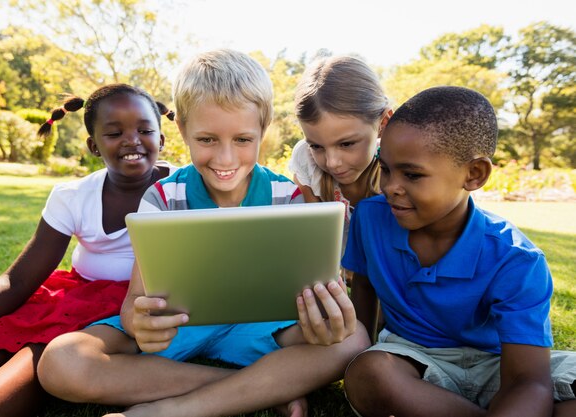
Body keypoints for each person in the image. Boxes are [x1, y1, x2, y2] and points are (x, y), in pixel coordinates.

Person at [37, 49, 369, 417]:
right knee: (61, 360)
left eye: (243, 140)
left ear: (263, 128)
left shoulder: (287, 196)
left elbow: (313, 295)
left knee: (353, 339)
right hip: (179, 329)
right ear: (181, 130)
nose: (225, 160)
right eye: (207, 140)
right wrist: (140, 323)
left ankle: (175, 409)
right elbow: (134, 302)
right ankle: (262, 388)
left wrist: (325, 315)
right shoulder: (162, 197)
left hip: (261, 330)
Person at [342, 86, 576, 417]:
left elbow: (528, 380)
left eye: (412, 174)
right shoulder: (371, 217)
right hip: (414, 364)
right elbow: (363, 286)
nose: (390, 186)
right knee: (370, 373)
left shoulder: (516, 259)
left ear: (474, 174)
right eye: (387, 168)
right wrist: (358, 348)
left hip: (498, 365)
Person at [0, 83, 178, 417]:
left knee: (16, 372)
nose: (132, 140)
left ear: (161, 139)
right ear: (93, 146)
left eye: (145, 130)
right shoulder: (72, 195)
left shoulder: (184, 188)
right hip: (71, 298)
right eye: (114, 133)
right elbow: (17, 282)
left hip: (114, 314)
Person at [289, 55, 392, 251]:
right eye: (316, 146)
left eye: (346, 144)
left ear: (383, 123)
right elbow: (316, 240)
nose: (332, 163)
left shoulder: (399, 168)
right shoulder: (306, 161)